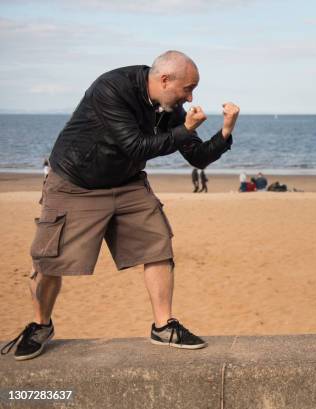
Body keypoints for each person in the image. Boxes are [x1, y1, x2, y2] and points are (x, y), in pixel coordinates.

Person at [1, 50, 240, 361]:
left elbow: (198, 157)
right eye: (188, 88)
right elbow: (136, 145)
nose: (190, 96)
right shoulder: (112, 88)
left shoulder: (170, 105)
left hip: (126, 182)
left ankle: (163, 326)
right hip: (76, 181)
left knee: (158, 244)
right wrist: (186, 129)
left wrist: (226, 130)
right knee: (48, 260)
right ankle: (39, 325)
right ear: (165, 80)